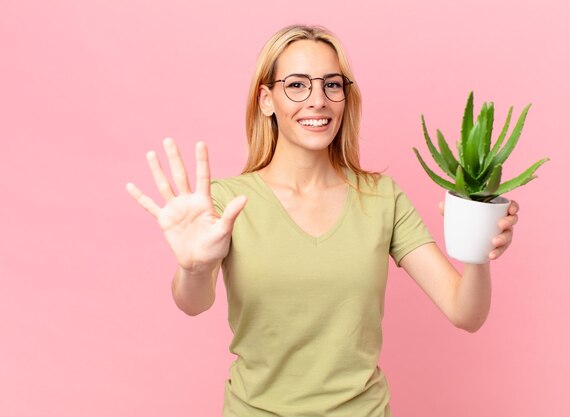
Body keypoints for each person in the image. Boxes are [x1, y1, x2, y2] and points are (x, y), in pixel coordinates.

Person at [125, 24, 518, 417]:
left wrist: (478, 248)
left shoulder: (382, 197)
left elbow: (465, 313)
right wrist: (193, 267)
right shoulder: (227, 202)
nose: (318, 100)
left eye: (332, 85)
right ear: (266, 100)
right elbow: (193, 303)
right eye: (297, 85)